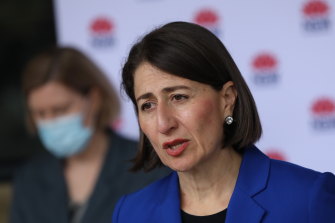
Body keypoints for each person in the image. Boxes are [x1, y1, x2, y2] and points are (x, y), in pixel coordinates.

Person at [112, 21, 335, 223]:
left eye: (179, 97)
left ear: (227, 99)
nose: (163, 124)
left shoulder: (307, 199)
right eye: (147, 105)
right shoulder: (130, 213)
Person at [10, 46, 170, 223]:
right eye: (40, 113)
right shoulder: (29, 178)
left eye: (60, 110)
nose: (50, 121)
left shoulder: (150, 165)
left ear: (94, 99)